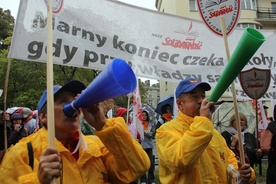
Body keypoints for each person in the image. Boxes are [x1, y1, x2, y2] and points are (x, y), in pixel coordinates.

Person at [0, 80, 150, 183]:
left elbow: (138, 167)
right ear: (44, 116)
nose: (74, 106)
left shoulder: (97, 144)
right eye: (64, 101)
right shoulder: (21, 153)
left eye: (77, 100)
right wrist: (38, 181)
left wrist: (102, 124)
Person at [156, 78, 256, 183]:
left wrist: (243, 173)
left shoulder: (214, 134)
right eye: (194, 97)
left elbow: (230, 162)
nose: (201, 101)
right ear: (180, 104)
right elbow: (181, 161)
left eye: (203, 96)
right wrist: (204, 121)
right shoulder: (166, 131)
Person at [140, 110, 155, 184]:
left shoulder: (150, 125)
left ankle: (151, 179)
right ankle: (143, 180)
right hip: (141, 147)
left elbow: (152, 135)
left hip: (149, 146)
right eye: (142, 115)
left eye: (145, 115)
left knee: (151, 164)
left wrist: (145, 132)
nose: (144, 117)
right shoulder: (138, 125)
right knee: (142, 163)